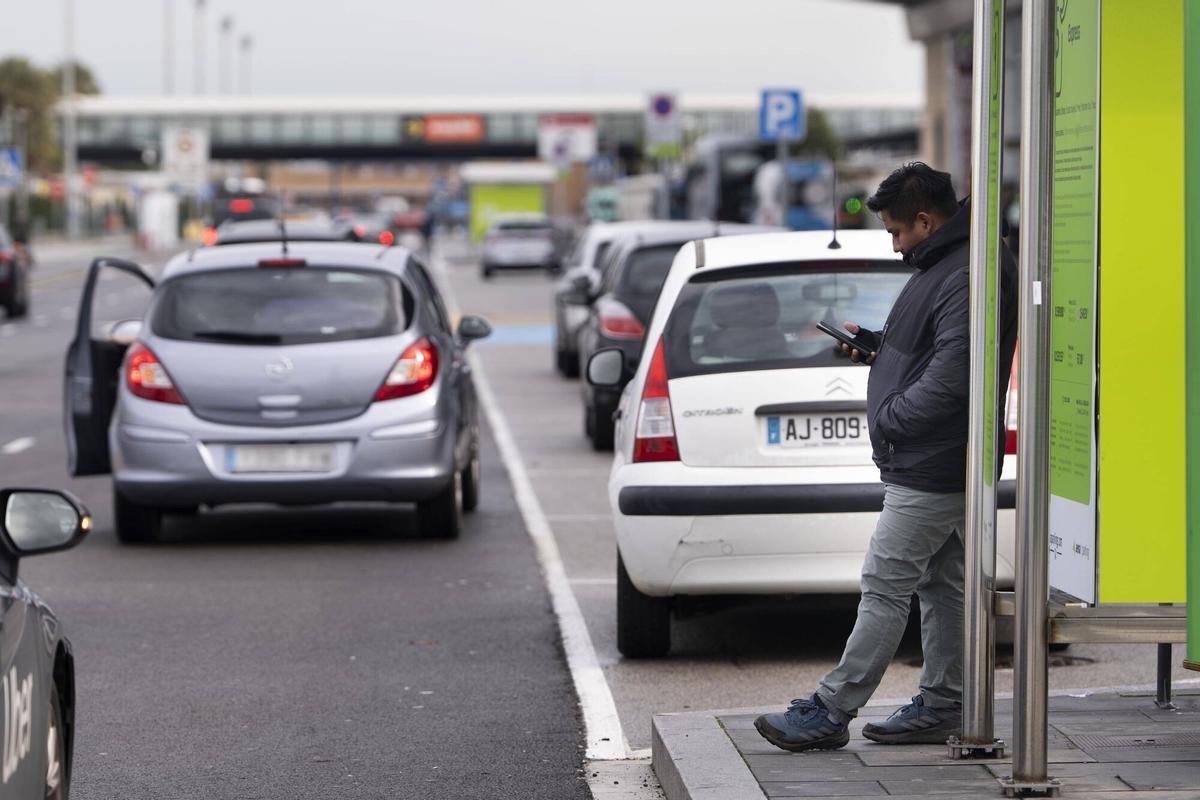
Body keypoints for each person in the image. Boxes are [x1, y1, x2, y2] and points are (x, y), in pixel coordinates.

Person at [754, 162, 1019, 752]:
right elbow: (939, 353)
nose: (896, 245)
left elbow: (955, 378)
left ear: (927, 220)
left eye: (899, 232)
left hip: (933, 461)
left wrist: (890, 416)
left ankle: (830, 707)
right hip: (941, 456)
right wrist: (880, 349)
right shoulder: (948, 264)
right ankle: (944, 701)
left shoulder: (966, 272)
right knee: (943, 582)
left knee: (885, 581)